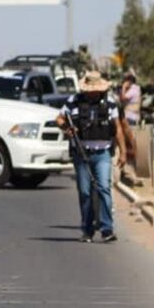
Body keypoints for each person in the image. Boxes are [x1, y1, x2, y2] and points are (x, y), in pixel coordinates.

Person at [57, 70, 128, 244]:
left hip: (102, 153)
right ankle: (87, 230)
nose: (92, 92)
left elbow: (117, 128)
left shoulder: (110, 103)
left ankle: (106, 229)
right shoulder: (74, 101)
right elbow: (59, 118)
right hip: (82, 154)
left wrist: (123, 151)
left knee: (104, 188)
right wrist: (67, 128)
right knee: (85, 192)